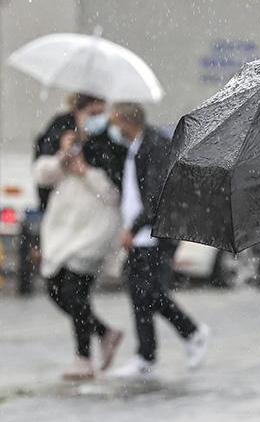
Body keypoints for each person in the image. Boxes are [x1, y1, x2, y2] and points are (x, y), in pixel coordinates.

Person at [108, 103, 209, 378]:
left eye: (115, 122)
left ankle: (193, 332)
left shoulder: (154, 145)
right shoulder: (136, 145)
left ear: (126, 121)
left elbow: (155, 195)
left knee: (151, 293)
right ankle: (146, 357)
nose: (113, 128)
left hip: (154, 234)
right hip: (141, 236)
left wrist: (133, 227)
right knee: (139, 293)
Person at [33, 130, 124, 380]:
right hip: (62, 233)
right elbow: (42, 175)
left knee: (75, 293)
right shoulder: (63, 136)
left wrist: (85, 171)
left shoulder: (109, 146)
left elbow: (114, 194)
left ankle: (83, 358)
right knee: (55, 290)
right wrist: (63, 156)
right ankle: (105, 333)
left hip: (93, 234)